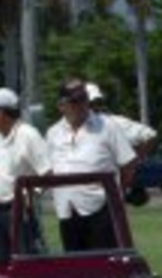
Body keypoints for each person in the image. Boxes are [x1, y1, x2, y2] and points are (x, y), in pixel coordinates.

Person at [44, 79, 137, 251]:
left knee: (105, 267)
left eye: (83, 99)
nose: (80, 105)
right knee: (75, 268)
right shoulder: (52, 133)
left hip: (101, 209)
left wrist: (117, 194)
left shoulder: (108, 126)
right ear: (61, 106)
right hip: (67, 210)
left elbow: (128, 164)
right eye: (74, 101)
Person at [0, 87, 50, 264]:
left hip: (20, 209)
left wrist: (30, 196)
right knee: (1, 261)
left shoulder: (28, 135)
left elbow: (47, 172)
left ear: (2, 112)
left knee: (24, 261)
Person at [85, 82, 157, 159]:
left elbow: (150, 135)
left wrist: (133, 162)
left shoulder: (114, 122)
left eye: (97, 103)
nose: (94, 107)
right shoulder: (73, 127)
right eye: (91, 104)